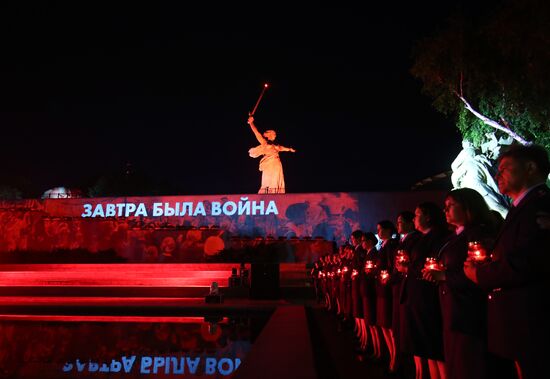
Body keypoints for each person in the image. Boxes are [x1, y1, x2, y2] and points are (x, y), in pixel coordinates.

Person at [463, 144, 550, 379]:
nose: (496, 175)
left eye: (504, 169)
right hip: (520, 319)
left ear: (530, 168)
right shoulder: (520, 208)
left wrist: (480, 274)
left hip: (533, 319)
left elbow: (527, 262)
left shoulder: (540, 207)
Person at [423, 188, 505, 379]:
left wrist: (445, 276)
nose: (446, 211)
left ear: (468, 207)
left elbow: (481, 272)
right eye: (445, 207)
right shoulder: (456, 237)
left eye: (451, 206)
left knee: (471, 366)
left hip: (469, 312)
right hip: (453, 310)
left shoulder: (478, 235)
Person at [399, 202, 450, 379]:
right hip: (416, 296)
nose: (414, 218)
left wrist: (408, 267)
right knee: (422, 346)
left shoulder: (439, 237)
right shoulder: (421, 238)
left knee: (432, 347)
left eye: (417, 214)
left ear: (429, 217)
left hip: (428, 297)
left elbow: (430, 263)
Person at [247, 115, 296, 194]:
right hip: (269, 164)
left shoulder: (276, 146)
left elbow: (282, 148)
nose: (275, 135)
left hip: (277, 164)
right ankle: (267, 193)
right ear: (269, 135)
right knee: (267, 179)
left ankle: (277, 193)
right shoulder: (264, 143)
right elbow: (256, 133)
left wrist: (290, 149)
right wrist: (251, 123)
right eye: (274, 134)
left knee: (276, 178)